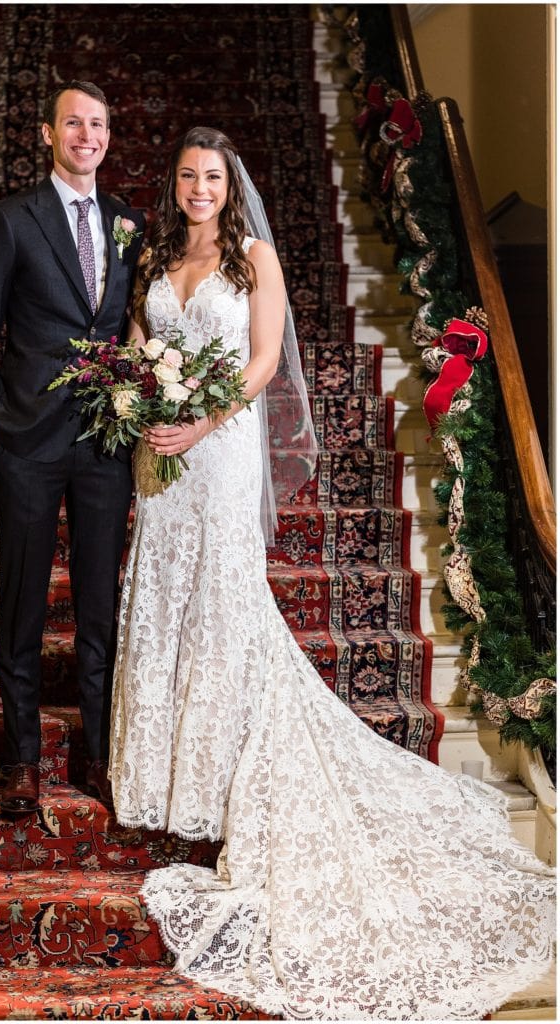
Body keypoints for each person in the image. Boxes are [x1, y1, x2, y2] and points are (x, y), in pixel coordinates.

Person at [108, 126, 555, 1020]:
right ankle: (156, 774)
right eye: (188, 177)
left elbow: (265, 362)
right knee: (158, 597)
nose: (200, 188)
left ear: (230, 187)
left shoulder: (252, 257)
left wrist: (198, 424)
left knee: (222, 599)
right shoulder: (156, 253)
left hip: (221, 451)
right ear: (175, 186)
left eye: (213, 177)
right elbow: (131, 341)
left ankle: (221, 767)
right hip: (160, 457)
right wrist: (135, 397)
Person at [0, 80, 145, 815]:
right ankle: (23, 757)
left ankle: (97, 753)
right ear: (47, 134)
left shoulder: (128, 221)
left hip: (104, 440)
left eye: (97, 124)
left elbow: (133, 322)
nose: (86, 136)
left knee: (99, 604)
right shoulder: (11, 219)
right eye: (74, 123)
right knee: (25, 603)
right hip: (28, 441)